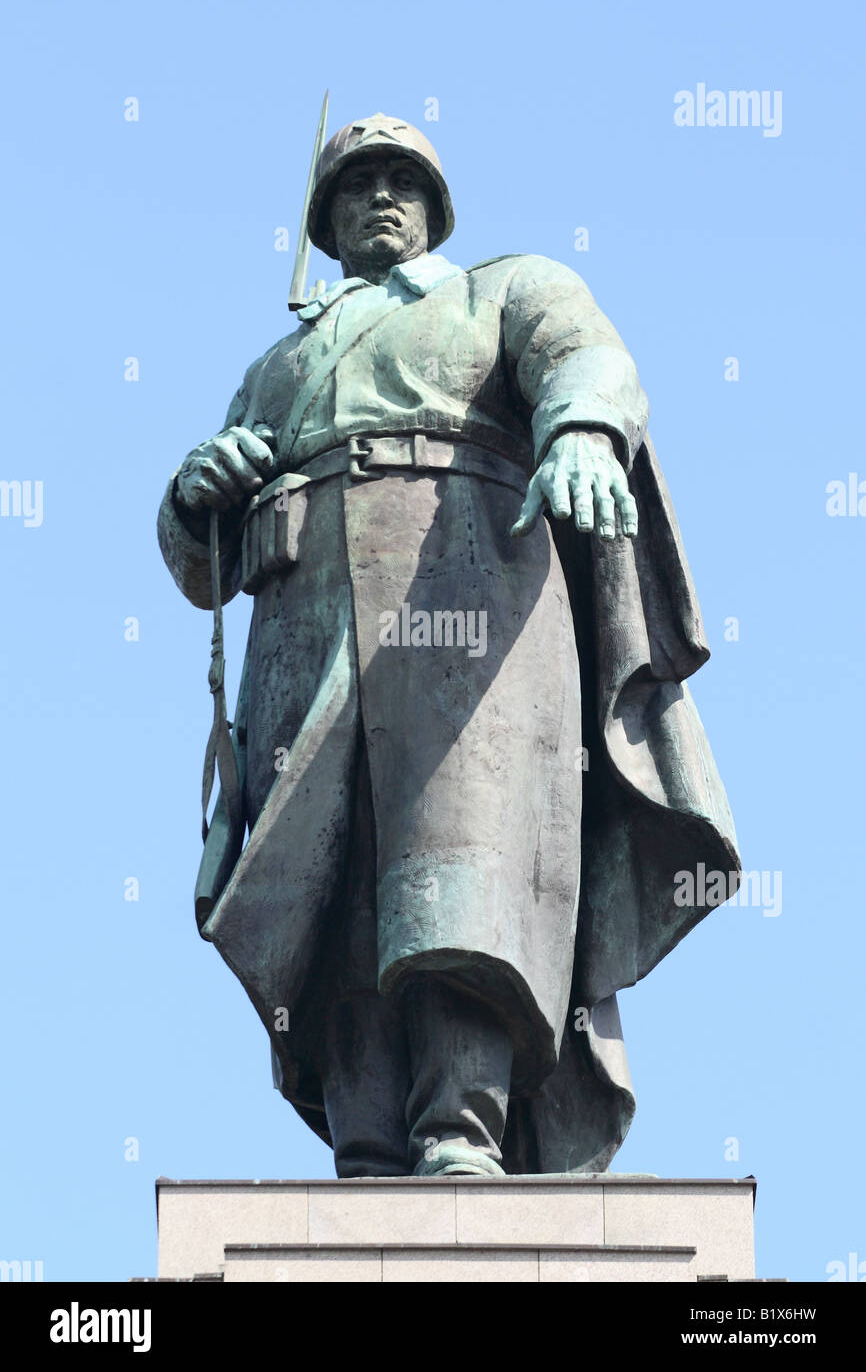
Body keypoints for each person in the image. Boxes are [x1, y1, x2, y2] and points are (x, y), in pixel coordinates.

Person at [158, 113, 740, 1177]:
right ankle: (366, 1143)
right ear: (325, 224)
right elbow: (202, 565)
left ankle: (456, 1129)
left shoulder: (501, 289)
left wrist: (575, 431)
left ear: (433, 208)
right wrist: (194, 494)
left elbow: (586, 358)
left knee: (459, 869)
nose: (380, 195)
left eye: (401, 180)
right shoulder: (276, 366)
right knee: (329, 886)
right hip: (307, 628)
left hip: (470, 600)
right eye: (355, 183)